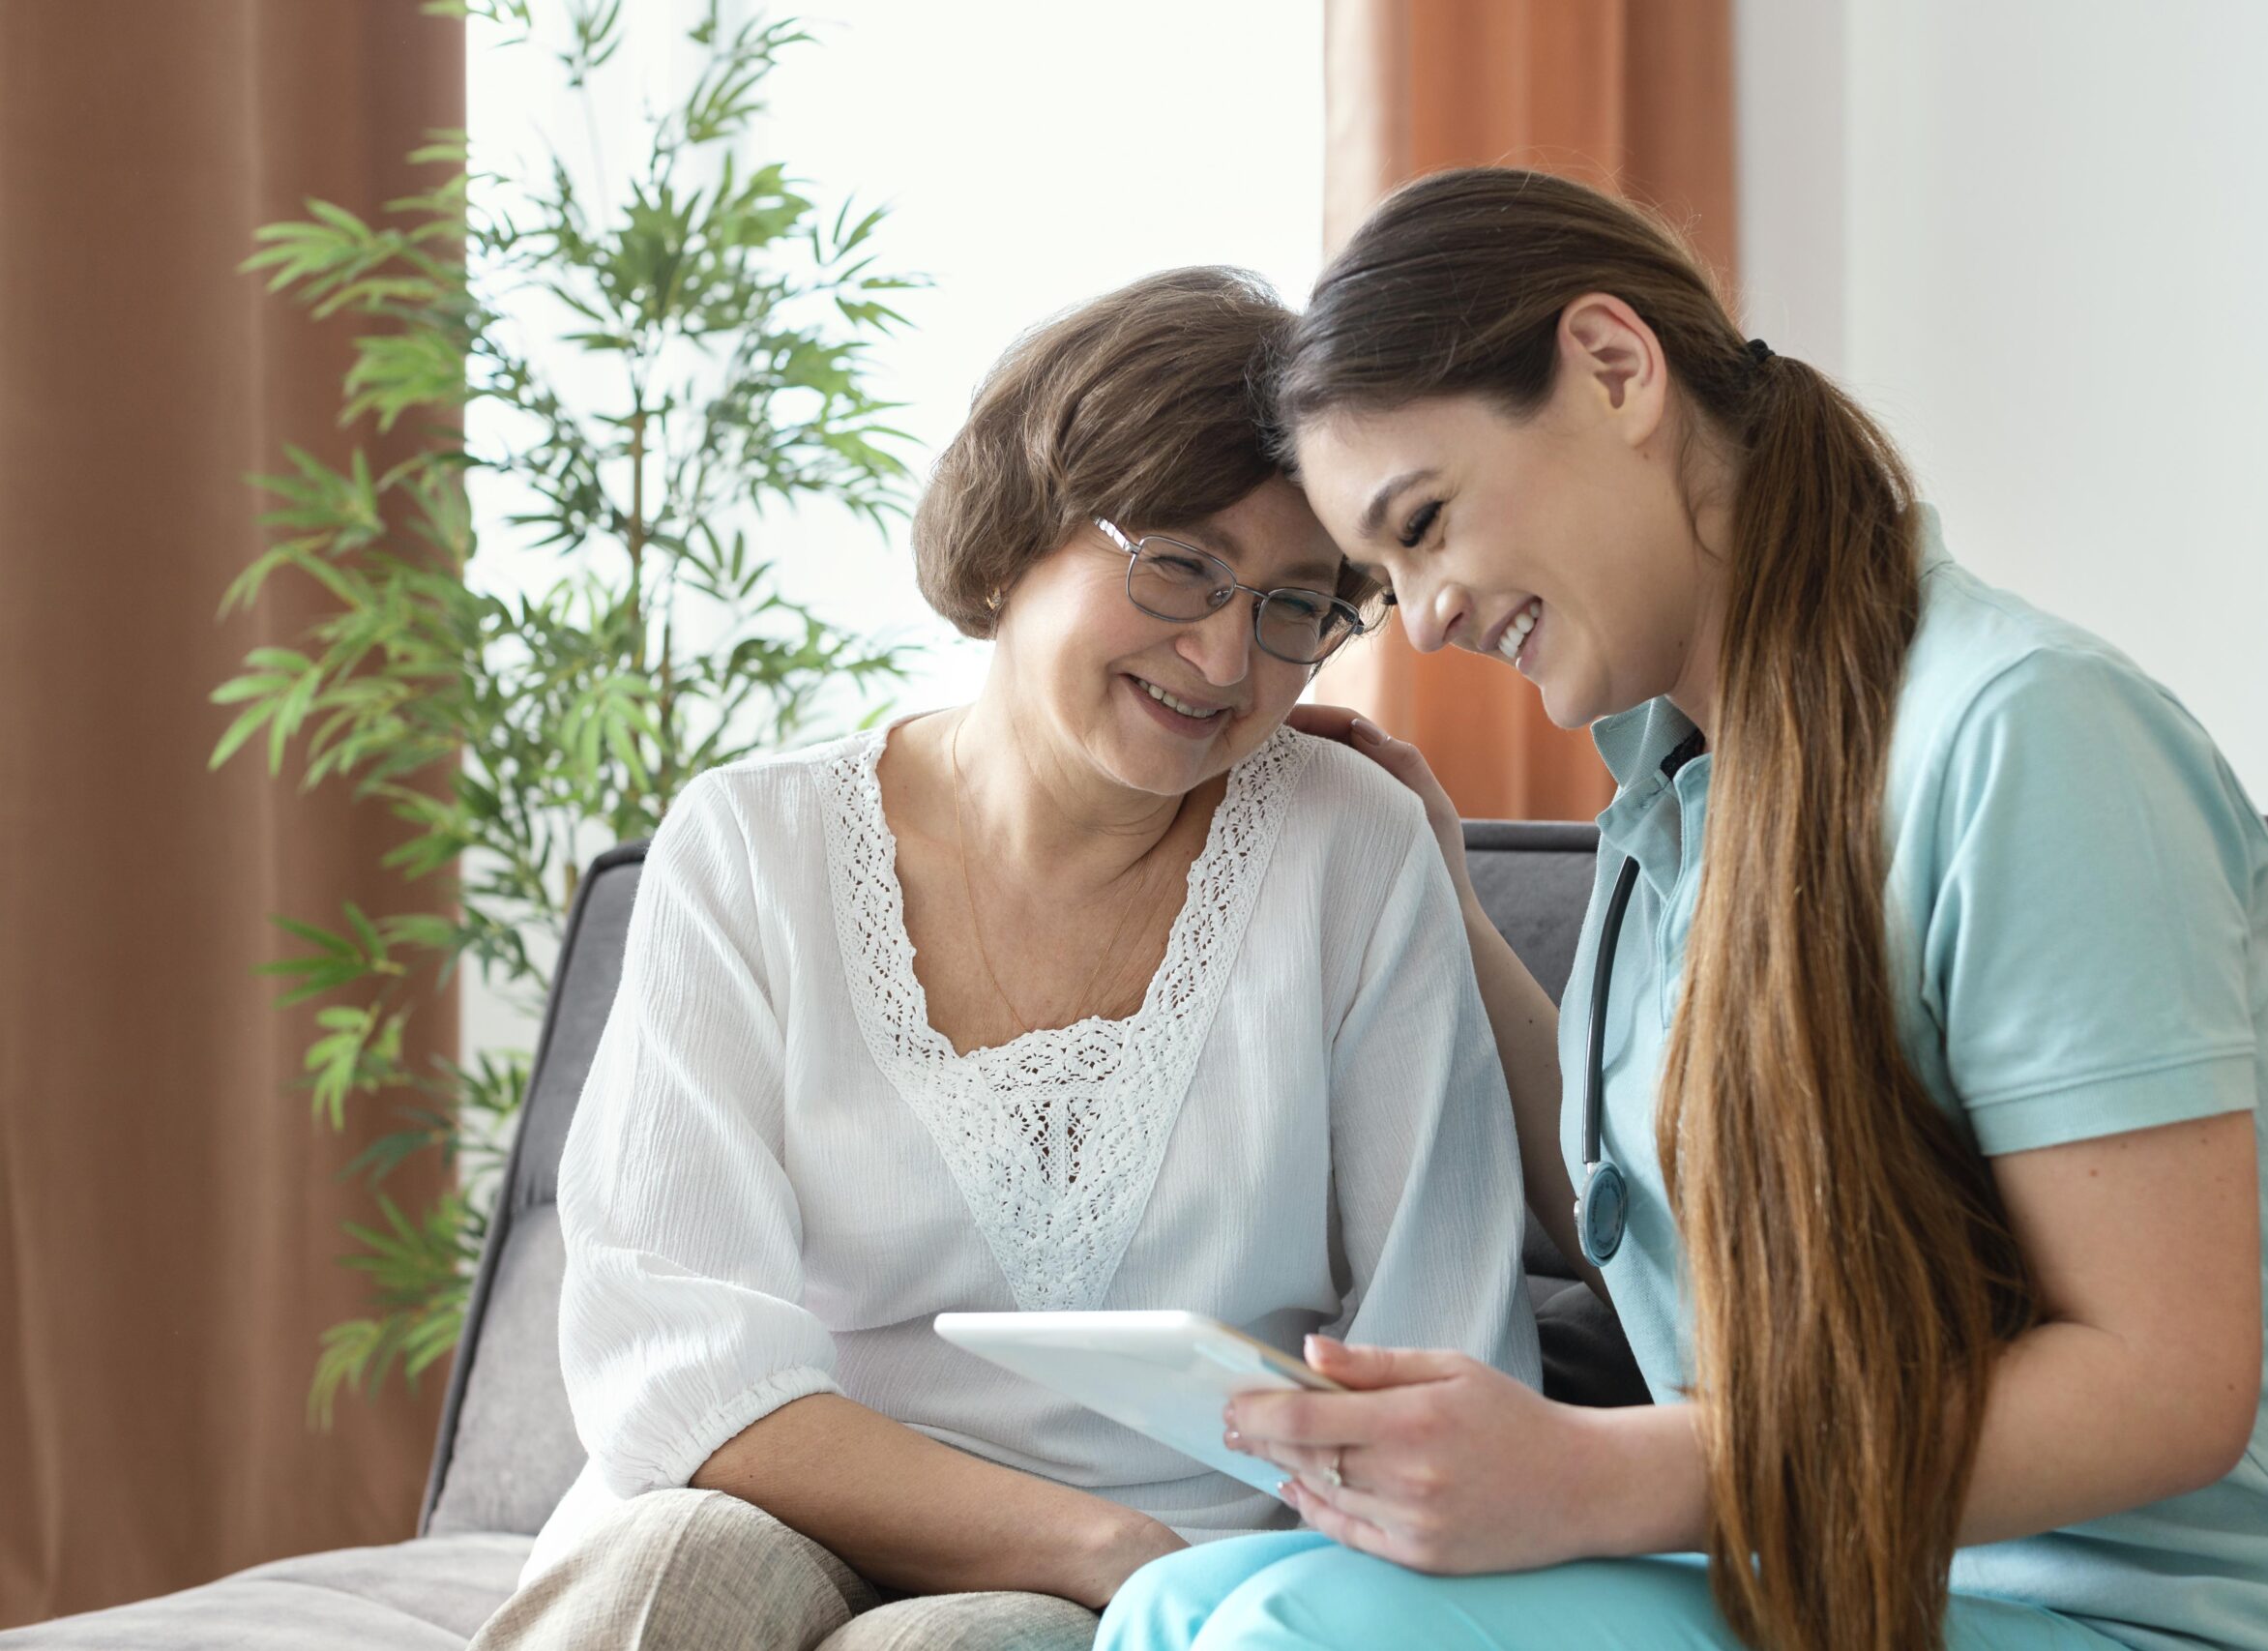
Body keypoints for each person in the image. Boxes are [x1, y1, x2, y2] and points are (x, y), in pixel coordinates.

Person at [1101, 169, 2268, 1651]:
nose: (1422, 620)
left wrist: (1592, 1477)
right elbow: (1648, 1220)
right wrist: (1446, 905)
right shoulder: (1680, 792)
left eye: (1425, 522)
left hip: (2186, 1623)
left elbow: (2165, 1384)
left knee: (1290, 1631)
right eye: (1385, 575)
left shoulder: (2029, 737)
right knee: (1177, 1601)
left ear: (1614, 367)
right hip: (1845, 1592)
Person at [469, 267, 1542, 1651]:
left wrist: (1168, 1574)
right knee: (673, 1571)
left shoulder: (1354, 851)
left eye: (1294, 606)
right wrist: (1102, 1543)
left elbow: (1442, 1348)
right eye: (1182, 565)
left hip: (1174, 1575)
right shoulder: (750, 845)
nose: (1226, 655)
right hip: (790, 1497)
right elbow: (675, 1365)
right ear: (1017, 536)